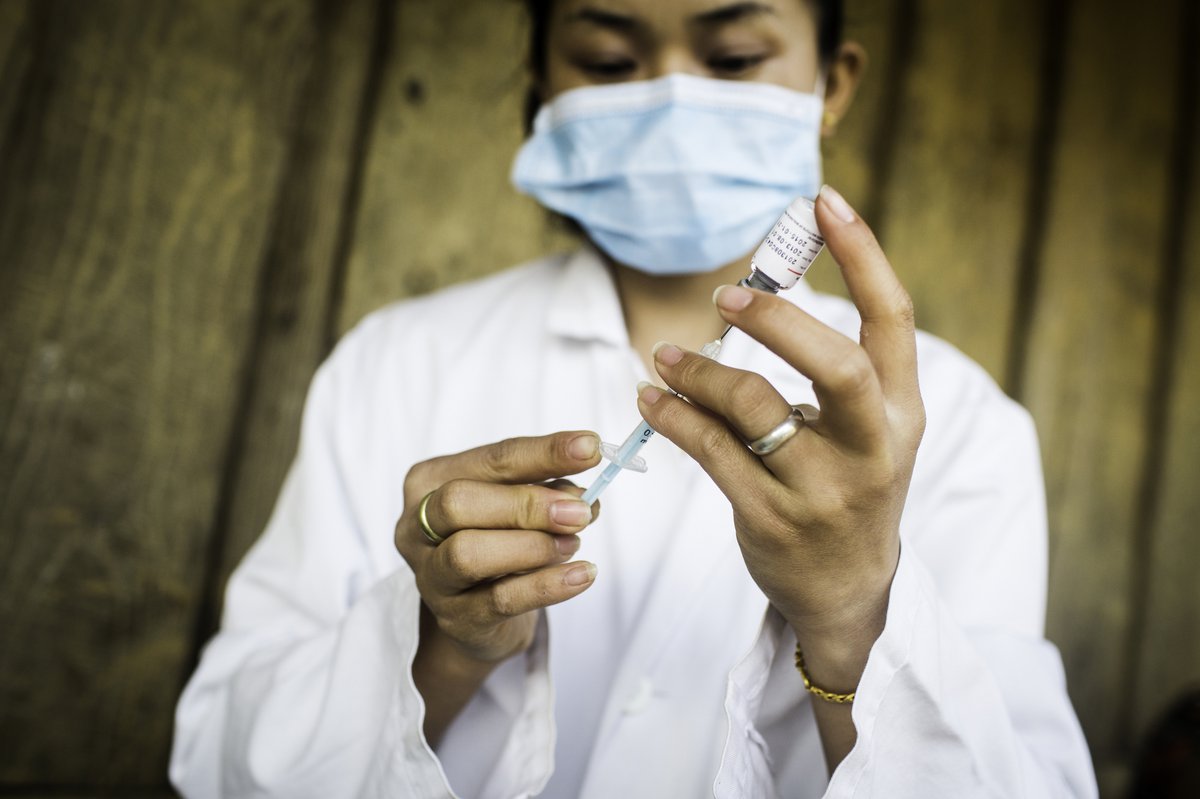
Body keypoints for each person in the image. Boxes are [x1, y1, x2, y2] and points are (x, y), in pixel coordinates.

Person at [170, 1, 1099, 796]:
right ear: (541, 76)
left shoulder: (961, 423)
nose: (669, 101)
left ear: (833, 84)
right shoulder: (397, 363)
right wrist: (445, 641)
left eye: (733, 58)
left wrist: (855, 613)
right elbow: (223, 762)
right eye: (610, 62)